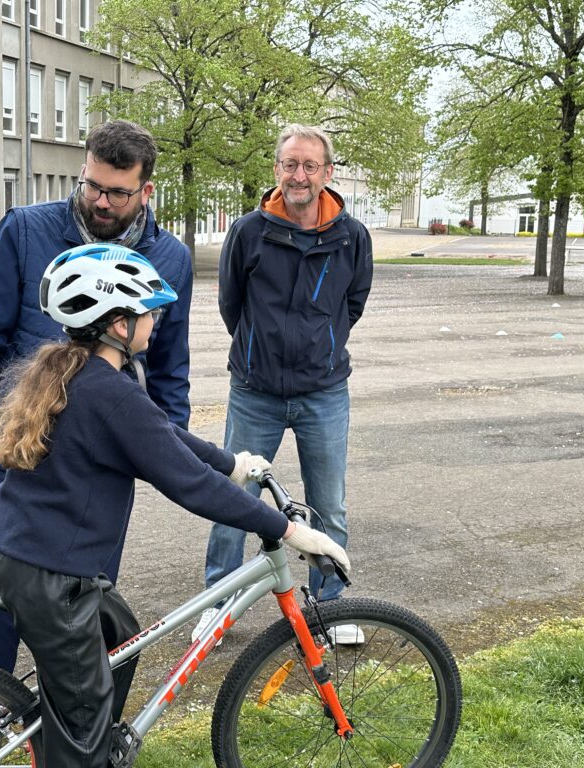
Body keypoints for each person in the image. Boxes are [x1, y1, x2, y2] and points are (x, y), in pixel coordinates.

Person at [0, 243, 351, 768]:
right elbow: (188, 484)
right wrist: (288, 531)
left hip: (28, 555)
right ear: (116, 324)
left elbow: (161, 435)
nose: (156, 320)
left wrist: (232, 463)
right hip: (52, 577)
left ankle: (73, 722)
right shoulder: (108, 393)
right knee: (82, 739)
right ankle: (79, 745)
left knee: (120, 640)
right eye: (148, 311)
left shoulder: (78, 372)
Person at [0, 120, 192, 762]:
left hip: (99, 461)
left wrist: (172, 450)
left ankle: (71, 724)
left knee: (90, 600)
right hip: (18, 449)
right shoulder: (26, 230)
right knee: (0, 594)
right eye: (91, 185)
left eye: (116, 191)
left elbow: (171, 366)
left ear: (146, 190)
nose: (100, 200)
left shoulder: (171, 260)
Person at [195, 124, 373, 644]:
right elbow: (232, 303)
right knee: (233, 495)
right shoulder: (250, 231)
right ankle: (218, 602)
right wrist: (259, 349)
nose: (300, 175)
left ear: (327, 173)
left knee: (328, 502)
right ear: (277, 170)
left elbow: (353, 303)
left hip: (324, 392)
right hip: (256, 391)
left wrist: (321, 343)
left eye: (310, 166)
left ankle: (330, 609)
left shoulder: (351, 236)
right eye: (290, 165)